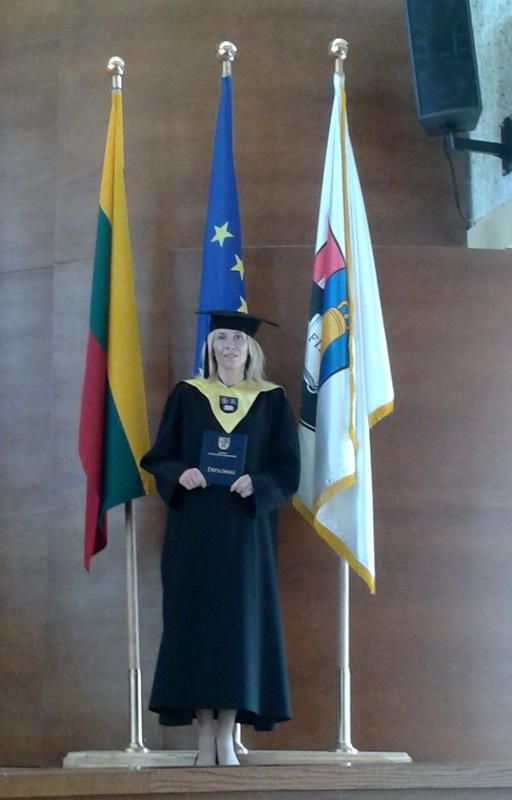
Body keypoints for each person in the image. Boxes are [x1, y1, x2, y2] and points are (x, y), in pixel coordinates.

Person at [140, 311, 300, 766]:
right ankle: (204, 736)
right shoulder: (188, 395)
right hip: (193, 531)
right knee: (194, 626)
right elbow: (159, 457)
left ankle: (227, 733)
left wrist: (259, 484)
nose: (229, 346)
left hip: (245, 534)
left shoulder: (270, 400)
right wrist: (180, 473)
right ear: (209, 346)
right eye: (221, 339)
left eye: (237, 340)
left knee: (237, 632)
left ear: (251, 348)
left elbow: (287, 469)